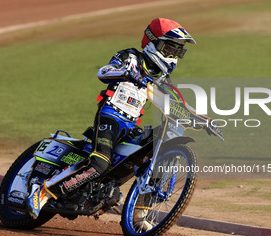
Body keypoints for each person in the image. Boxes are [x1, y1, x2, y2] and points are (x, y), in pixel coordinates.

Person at [27, 18, 198, 219]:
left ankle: (140, 212)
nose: (172, 55)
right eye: (169, 49)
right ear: (152, 42)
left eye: (177, 51)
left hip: (131, 127)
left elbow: (178, 103)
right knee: (100, 162)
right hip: (110, 117)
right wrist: (124, 72)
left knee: (153, 147)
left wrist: (203, 120)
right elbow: (104, 71)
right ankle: (44, 191)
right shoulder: (131, 57)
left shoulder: (162, 78)